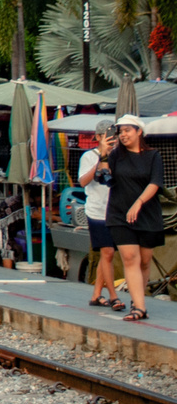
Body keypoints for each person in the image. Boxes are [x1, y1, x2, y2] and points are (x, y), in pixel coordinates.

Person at [104, 114, 166, 321]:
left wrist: (138, 203)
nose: (123, 135)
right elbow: (102, 177)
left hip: (147, 214)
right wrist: (103, 156)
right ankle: (140, 308)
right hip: (119, 213)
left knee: (144, 262)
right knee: (130, 258)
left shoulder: (153, 156)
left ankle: (136, 299)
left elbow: (155, 183)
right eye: (120, 131)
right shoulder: (115, 156)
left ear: (139, 131)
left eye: (127, 130)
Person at [78, 119, 121, 309]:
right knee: (108, 252)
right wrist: (101, 158)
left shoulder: (120, 156)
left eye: (114, 137)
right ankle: (113, 296)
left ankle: (96, 294)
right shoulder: (89, 156)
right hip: (96, 211)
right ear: (98, 137)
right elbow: (83, 181)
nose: (111, 140)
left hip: (115, 210)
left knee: (107, 255)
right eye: (106, 137)